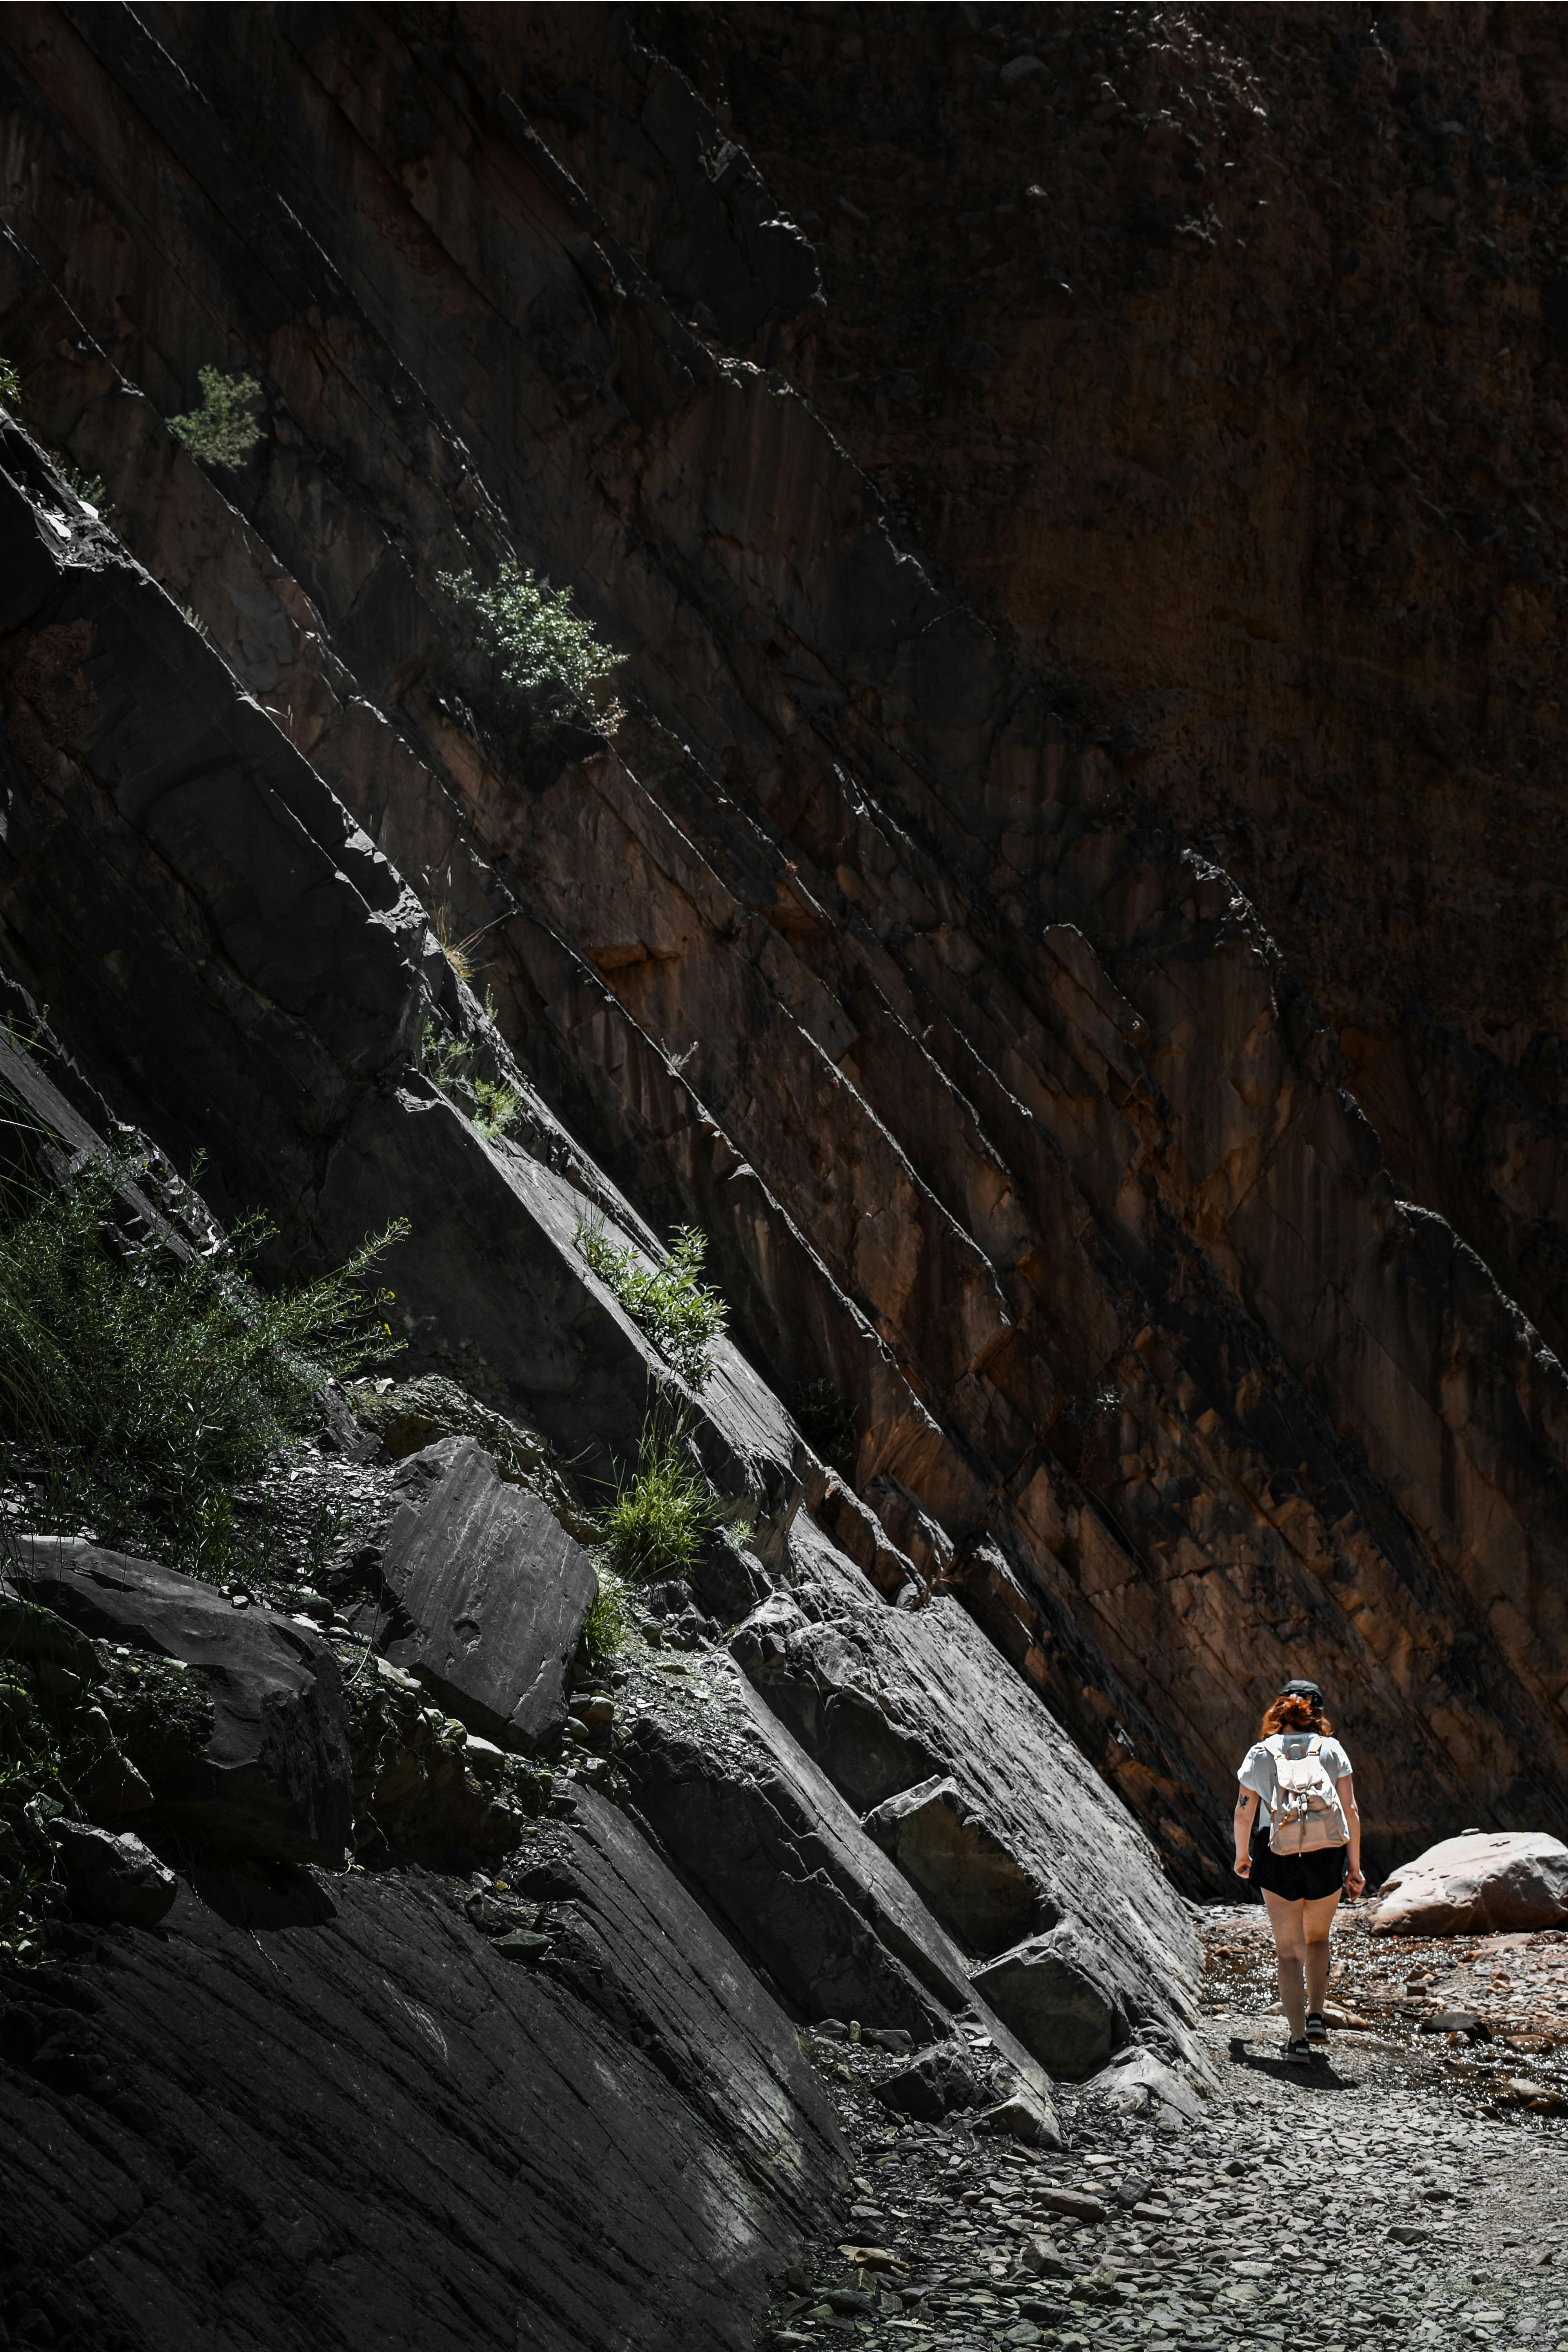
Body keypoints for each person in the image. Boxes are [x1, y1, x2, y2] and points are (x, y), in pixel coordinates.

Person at [1233, 1678, 1365, 2065]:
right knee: (1317, 1939)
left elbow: (1244, 1811)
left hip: (1277, 1855)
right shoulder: (1333, 1750)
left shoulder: (1261, 1753)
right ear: (1317, 1713)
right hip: (1327, 1854)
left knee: (1288, 1954)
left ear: (1278, 1710)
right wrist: (1354, 1866)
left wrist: (1242, 1855)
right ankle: (1316, 2018)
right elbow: (1351, 1811)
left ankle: (1297, 2042)